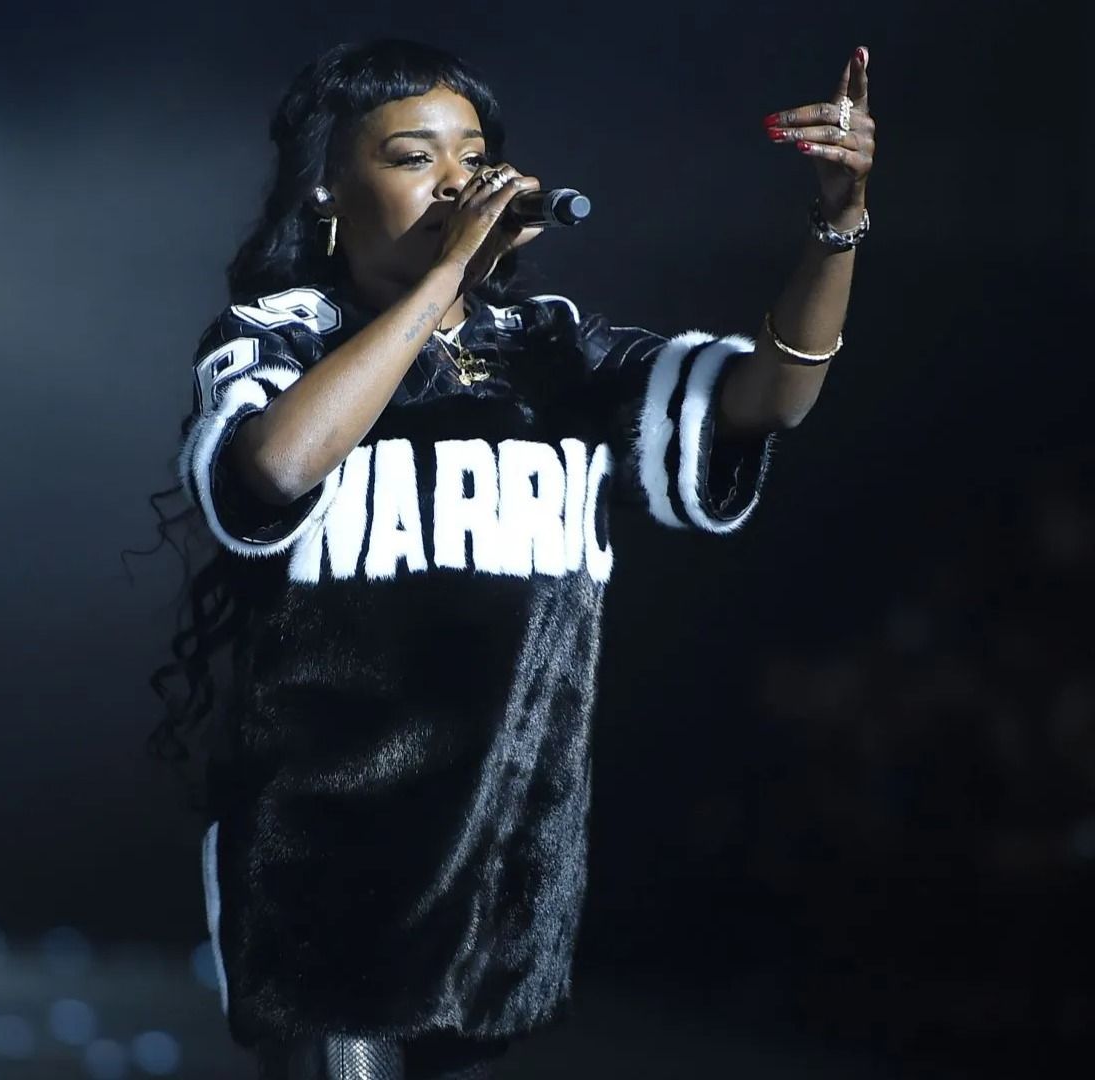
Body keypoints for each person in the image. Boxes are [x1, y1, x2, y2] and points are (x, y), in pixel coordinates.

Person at [144, 37, 876, 1080]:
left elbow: (769, 398)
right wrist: (446, 270)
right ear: (327, 188)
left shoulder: (560, 352)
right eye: (413, 156)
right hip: (329, 878)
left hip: (500, 874)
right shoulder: (283, 336)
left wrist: (837, 223)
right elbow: (274, 467)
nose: (457, 180)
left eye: (473, 155)